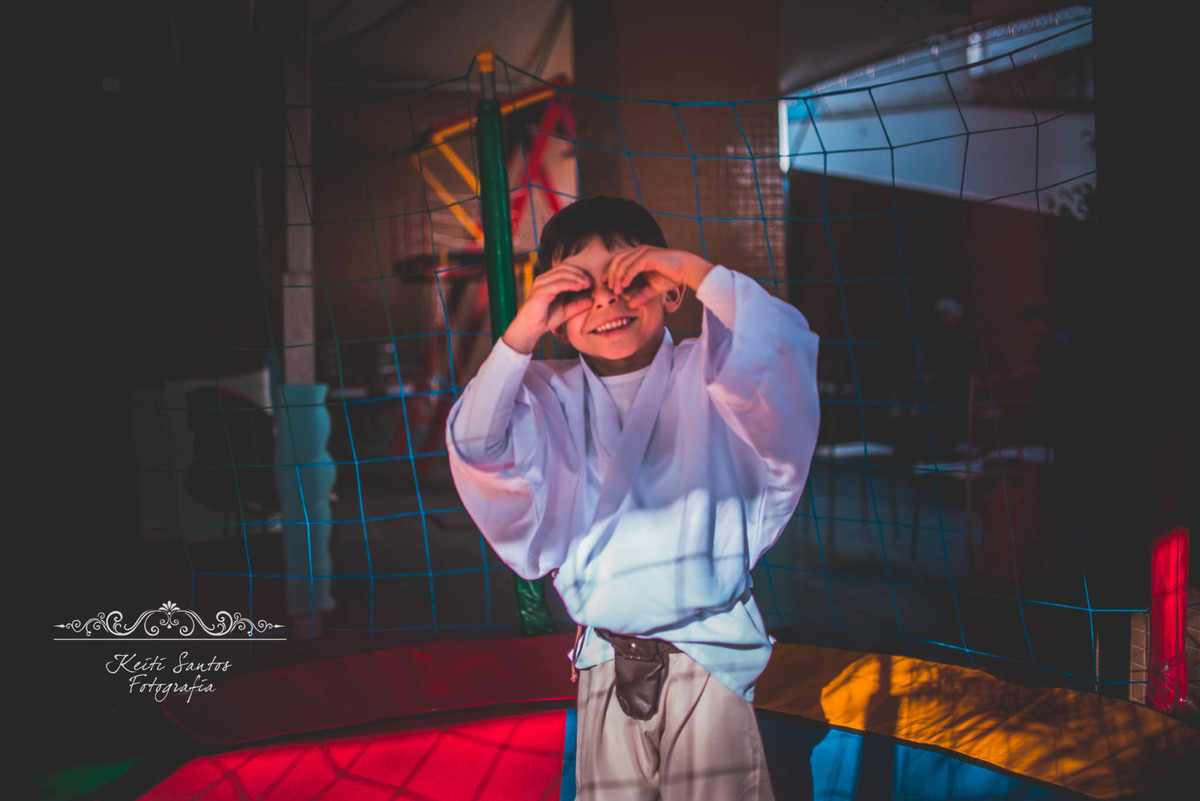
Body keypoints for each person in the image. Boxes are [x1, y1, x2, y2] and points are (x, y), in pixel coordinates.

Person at [445, 196, 819, 799]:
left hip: (710, 658)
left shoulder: (717, 374)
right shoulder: (544, 395)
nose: (607, 300)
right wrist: (521, 330)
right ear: (555, 318)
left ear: (671, 291)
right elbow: (474, 443)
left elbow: (777, 346)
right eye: (579, 289)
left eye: (632, 278)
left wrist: (693, 268)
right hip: (604, 661)